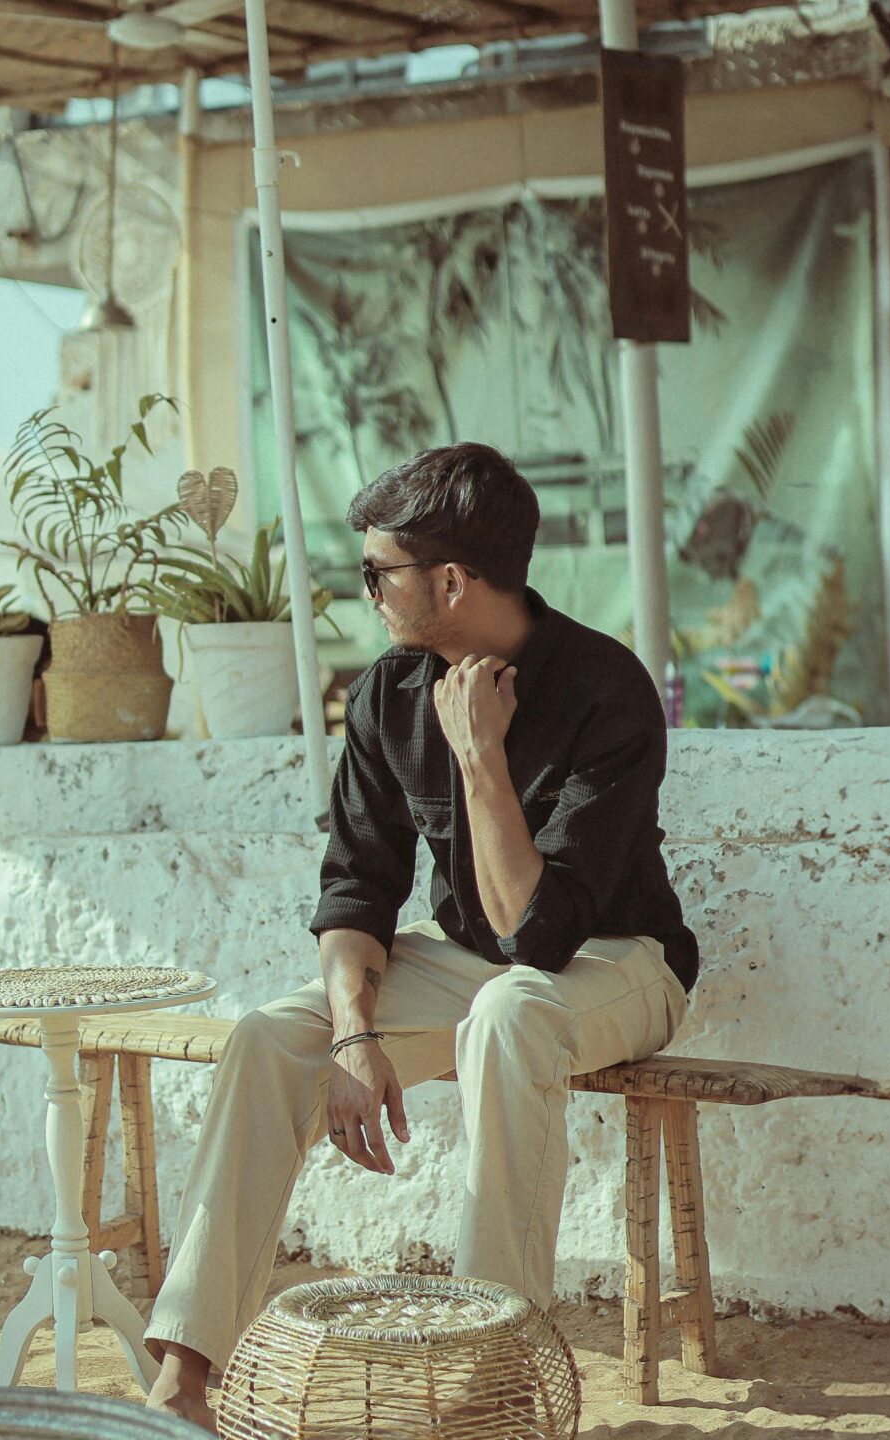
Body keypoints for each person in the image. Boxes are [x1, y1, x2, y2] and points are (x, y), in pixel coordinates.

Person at [143, 442, 700, 1430]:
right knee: (276, 1034)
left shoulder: (605, 689)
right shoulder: (387, 693)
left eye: (376, 571)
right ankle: (186, 1374)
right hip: (474, 969)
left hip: (617, 965)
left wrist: (480, 757)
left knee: (511, 1009)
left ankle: (493, 1375)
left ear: (449, 578)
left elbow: (538, 934)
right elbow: (357, 889)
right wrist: (353, 1037)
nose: (367, 590)